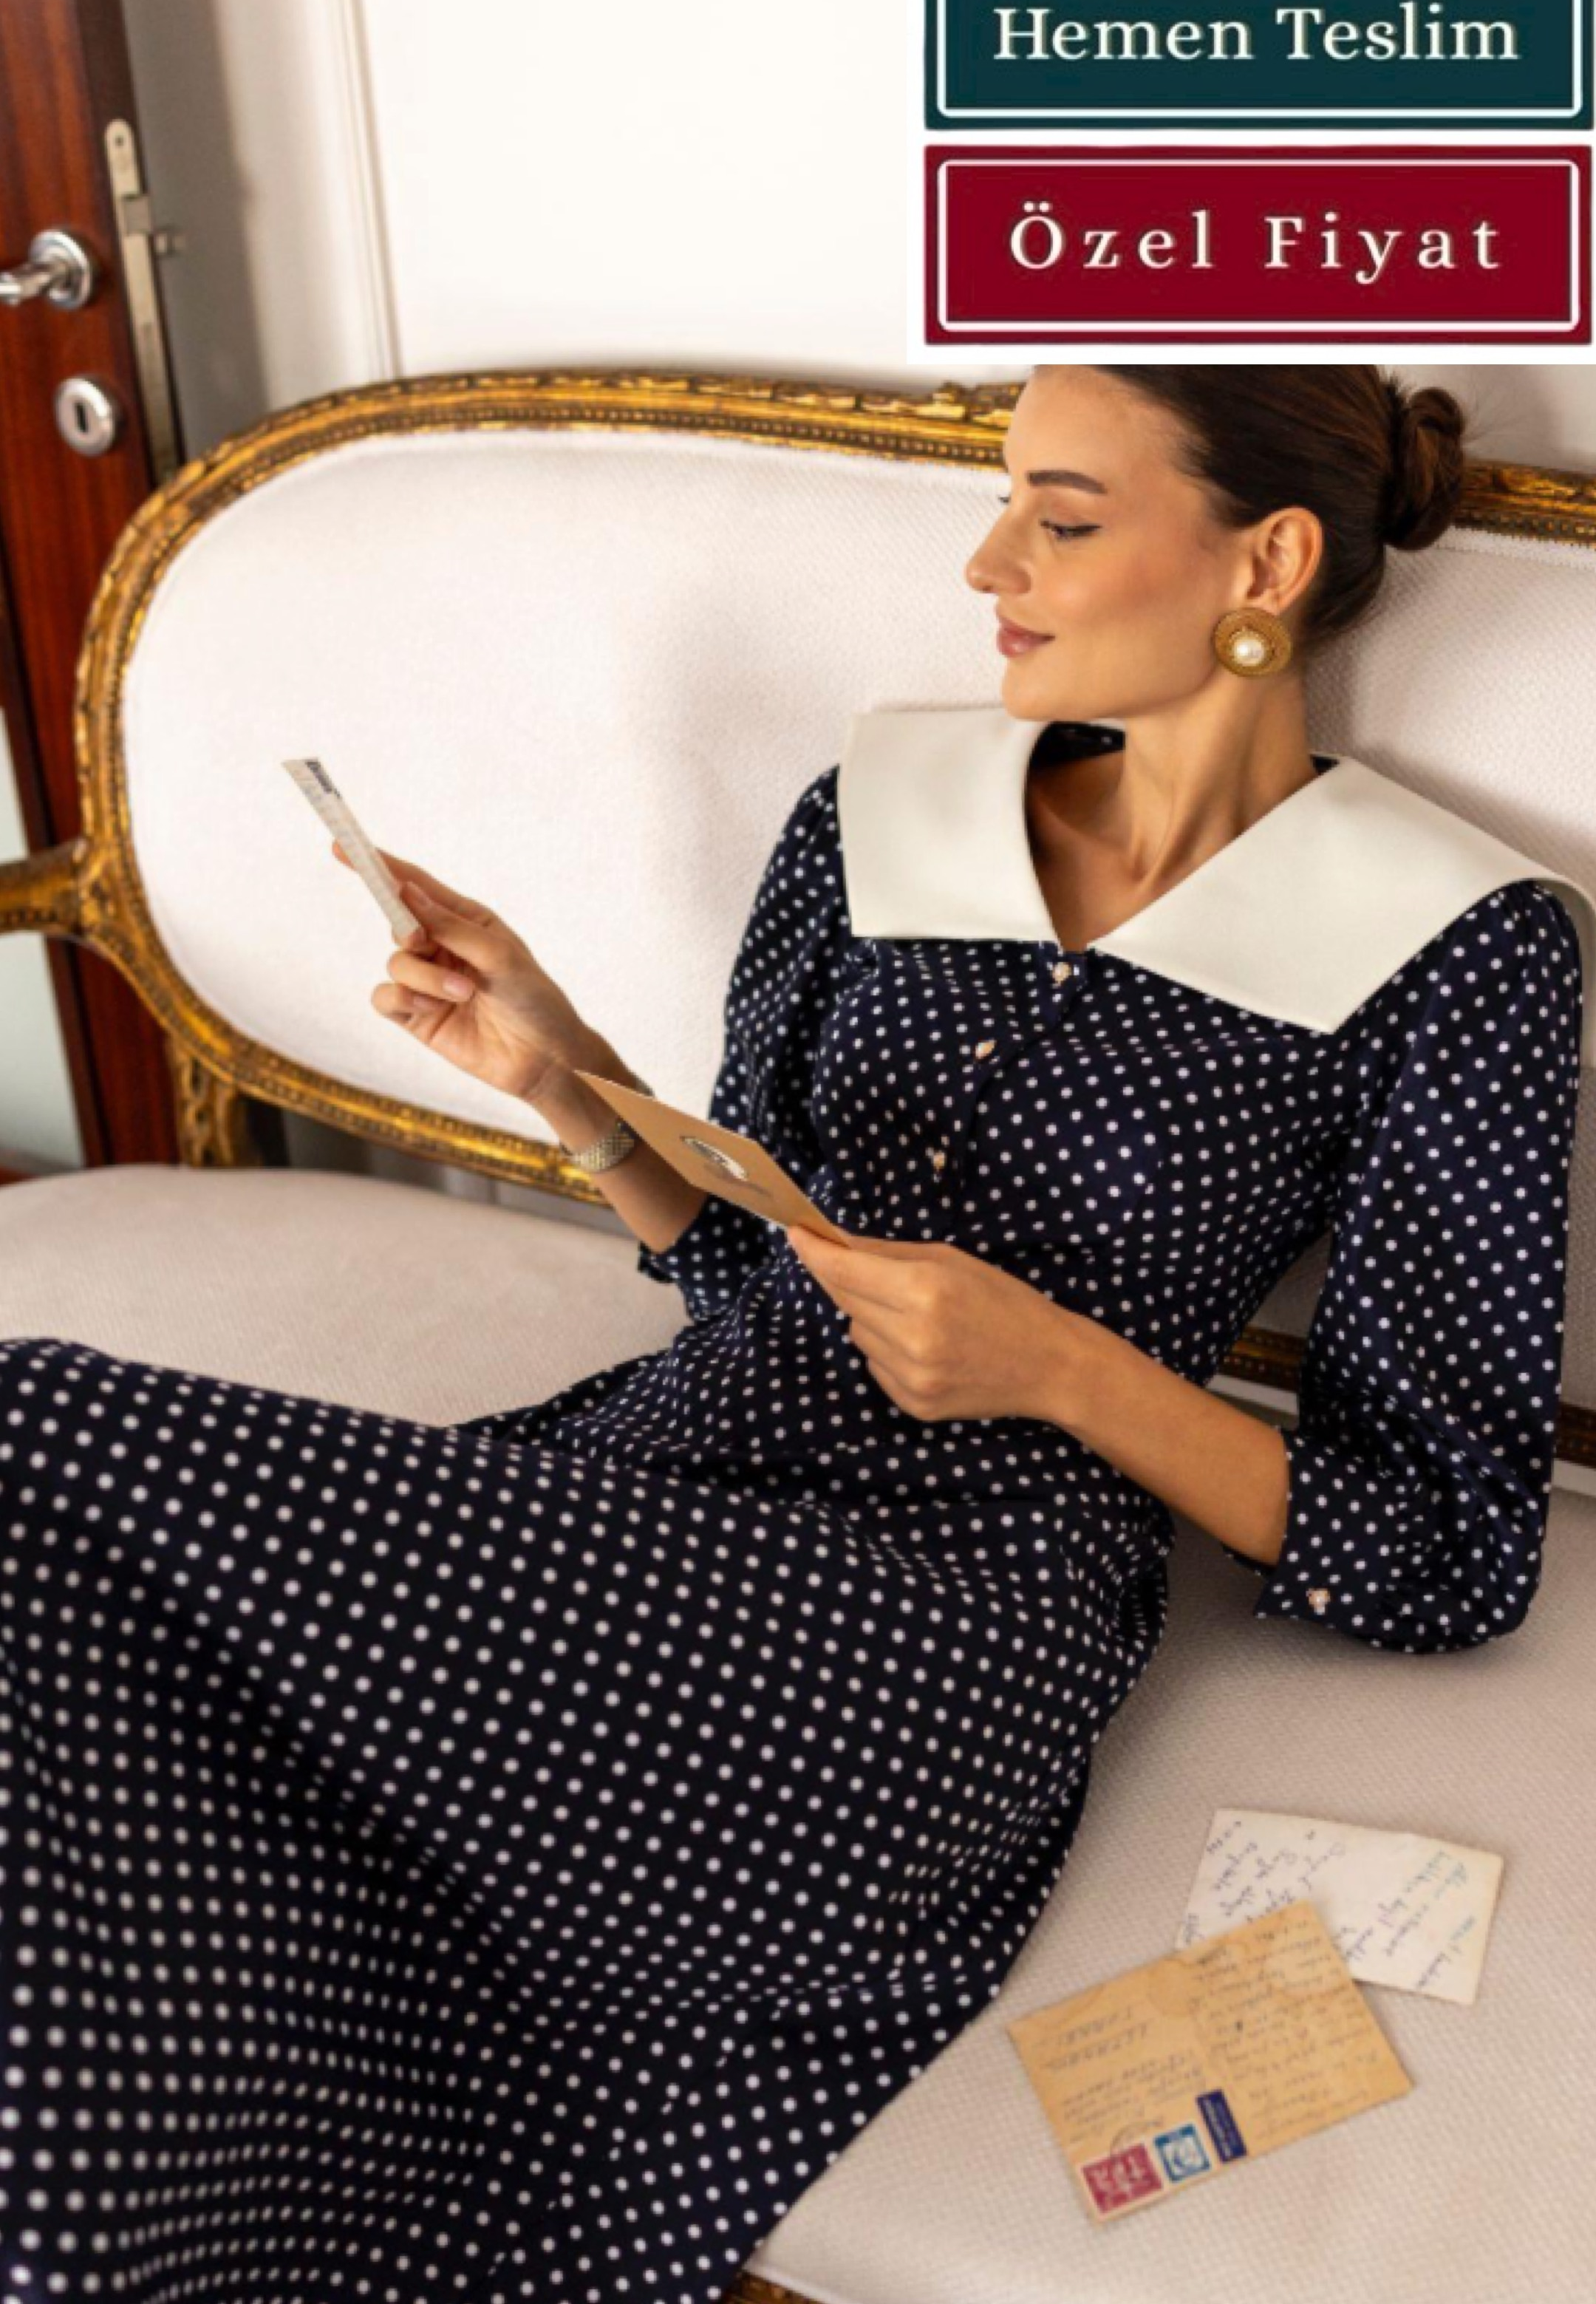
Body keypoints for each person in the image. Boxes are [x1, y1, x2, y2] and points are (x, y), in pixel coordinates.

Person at [0, 364, 1587, 2303]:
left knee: (40, 1434)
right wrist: (569, 1079)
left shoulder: (1458, 943)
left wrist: (1055, 1366)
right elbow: (760, 1282)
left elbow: (1445, 1548)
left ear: (1265, 562)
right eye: (1006, 504)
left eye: (1062, 518)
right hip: (666, 1479)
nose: (987, 564)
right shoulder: (871, 815)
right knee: (137, 1845)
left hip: (954, 1618)